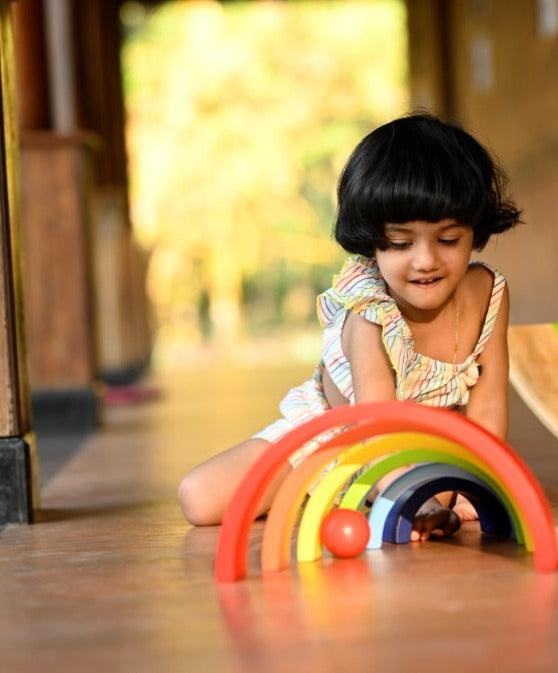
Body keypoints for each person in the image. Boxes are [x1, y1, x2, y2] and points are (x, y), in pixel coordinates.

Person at [178, 112, 521, 541]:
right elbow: (373, 423)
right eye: (400, 244)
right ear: (371, 243)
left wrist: (480, 485)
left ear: (475, 231)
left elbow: (488, 407)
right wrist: (410, 495)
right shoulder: (369, 309)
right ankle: (345, 487)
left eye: (448, 240)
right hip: (343, 434)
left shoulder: (489, 293)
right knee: (201, 497)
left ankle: (375, 493)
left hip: (427, 444)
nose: (426, 260)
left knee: (457, 495)